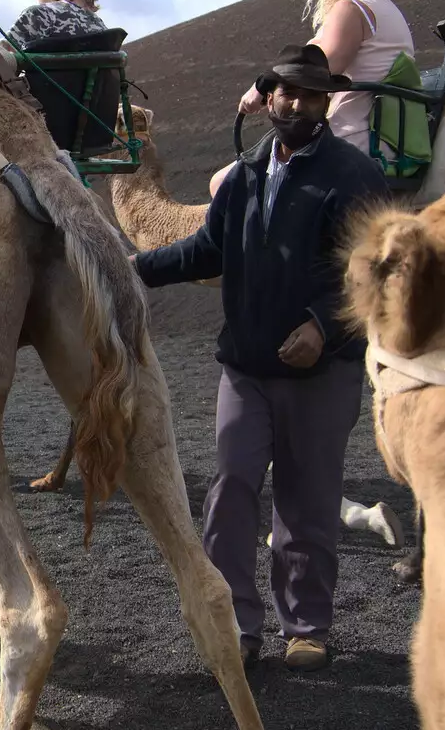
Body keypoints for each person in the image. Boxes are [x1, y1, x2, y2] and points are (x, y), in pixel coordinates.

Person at [132, 44, 387, 672]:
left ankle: (306, 627)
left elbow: (373, 269)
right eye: (285, 92)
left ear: (326, 102)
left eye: (309, 94)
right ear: (268, 97)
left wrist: (324, 329)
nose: (295, 103)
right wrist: (132, 269)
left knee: (306, 497)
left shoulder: (353, 176)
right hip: (246, 370)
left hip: (321, 374)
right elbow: (208, 251)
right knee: (231, 491)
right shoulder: (244, 176)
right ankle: (235, 623)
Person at [211, 0, 414, 195]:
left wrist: (262, 87)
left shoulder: (352, 8)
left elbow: (314, 72)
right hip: (388, 137)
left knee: (223, 184)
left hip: (353, 135)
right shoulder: (385, 8)